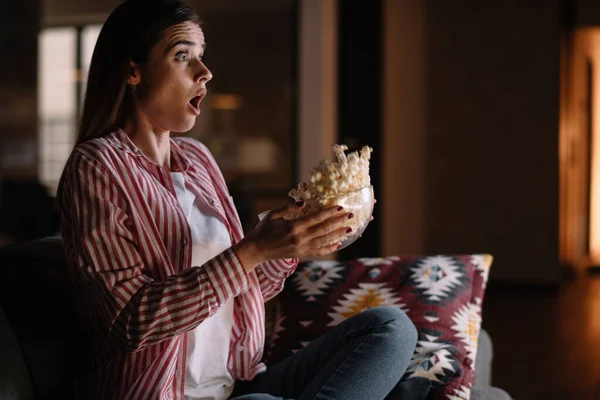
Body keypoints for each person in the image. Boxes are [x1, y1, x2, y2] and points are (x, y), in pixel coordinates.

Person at [57, 1, 418, 399]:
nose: (205, 72)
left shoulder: (197, 158)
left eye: (201, 56)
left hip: (237, 385)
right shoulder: (96, 166)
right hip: (164, 393)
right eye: (182, 56)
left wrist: (284, 246)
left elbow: (244, 290)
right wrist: (252, 249)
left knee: (390, 328)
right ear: (132, 70)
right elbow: (129, 322)